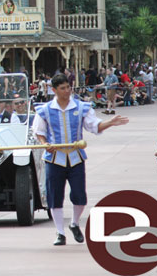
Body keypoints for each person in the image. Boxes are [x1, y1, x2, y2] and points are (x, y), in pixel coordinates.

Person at [32, 73, 128, 246]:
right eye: (63, 88)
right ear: (54, 90)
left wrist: (110, 122)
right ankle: (60, 232)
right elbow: (39, 132)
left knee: (79, 195)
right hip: (54, 158)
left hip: (76, 157)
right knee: (55, 196)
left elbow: (94, 126)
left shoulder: (81, 107)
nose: (67, 91)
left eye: (68, 87)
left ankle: (74, 223)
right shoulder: (44, 110)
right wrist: (45, 143)